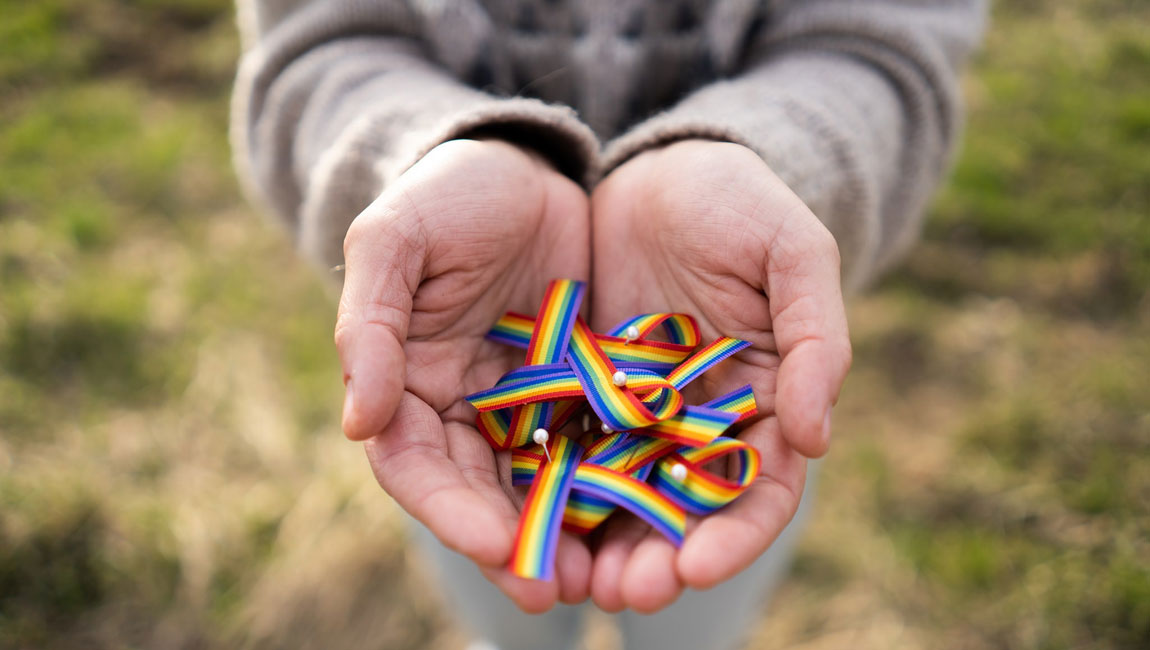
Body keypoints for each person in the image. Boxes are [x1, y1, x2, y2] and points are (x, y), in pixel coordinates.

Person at [231, 1, 986, 648]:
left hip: (733, 372)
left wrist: (765, 160)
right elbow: (316, 44)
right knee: (497, 584)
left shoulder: (710, 401)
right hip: (464, 376)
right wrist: (426, 155)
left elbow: (883, 47)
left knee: (698, 613)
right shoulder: (476, 395)